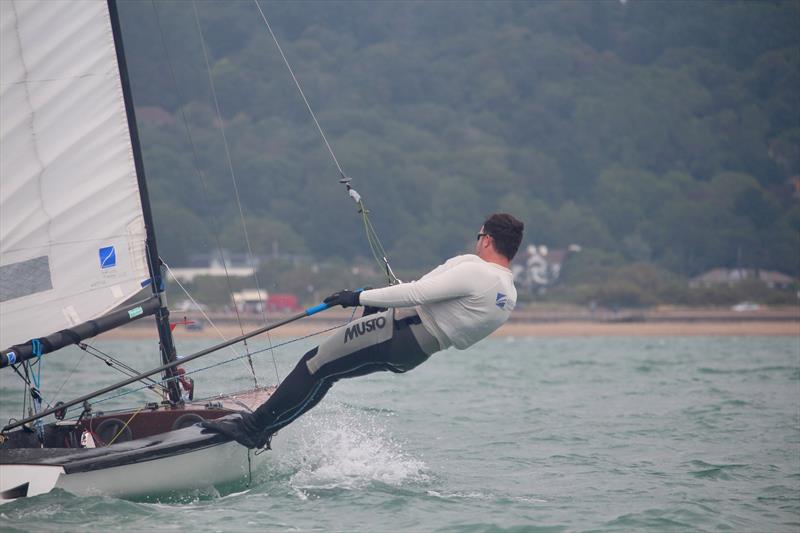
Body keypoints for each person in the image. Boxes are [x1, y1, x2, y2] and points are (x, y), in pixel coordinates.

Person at [202, 213, 524, 449]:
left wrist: (357, 297)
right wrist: (382, 301)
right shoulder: (507, 295)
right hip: (415, 351)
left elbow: (416, 294)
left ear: (486, 239)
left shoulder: (476, 270)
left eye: (478, 236)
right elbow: (434, 305)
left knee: (314, 365)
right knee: (325, 372)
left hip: (398, 331)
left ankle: (255, 428)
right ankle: (263, 430)